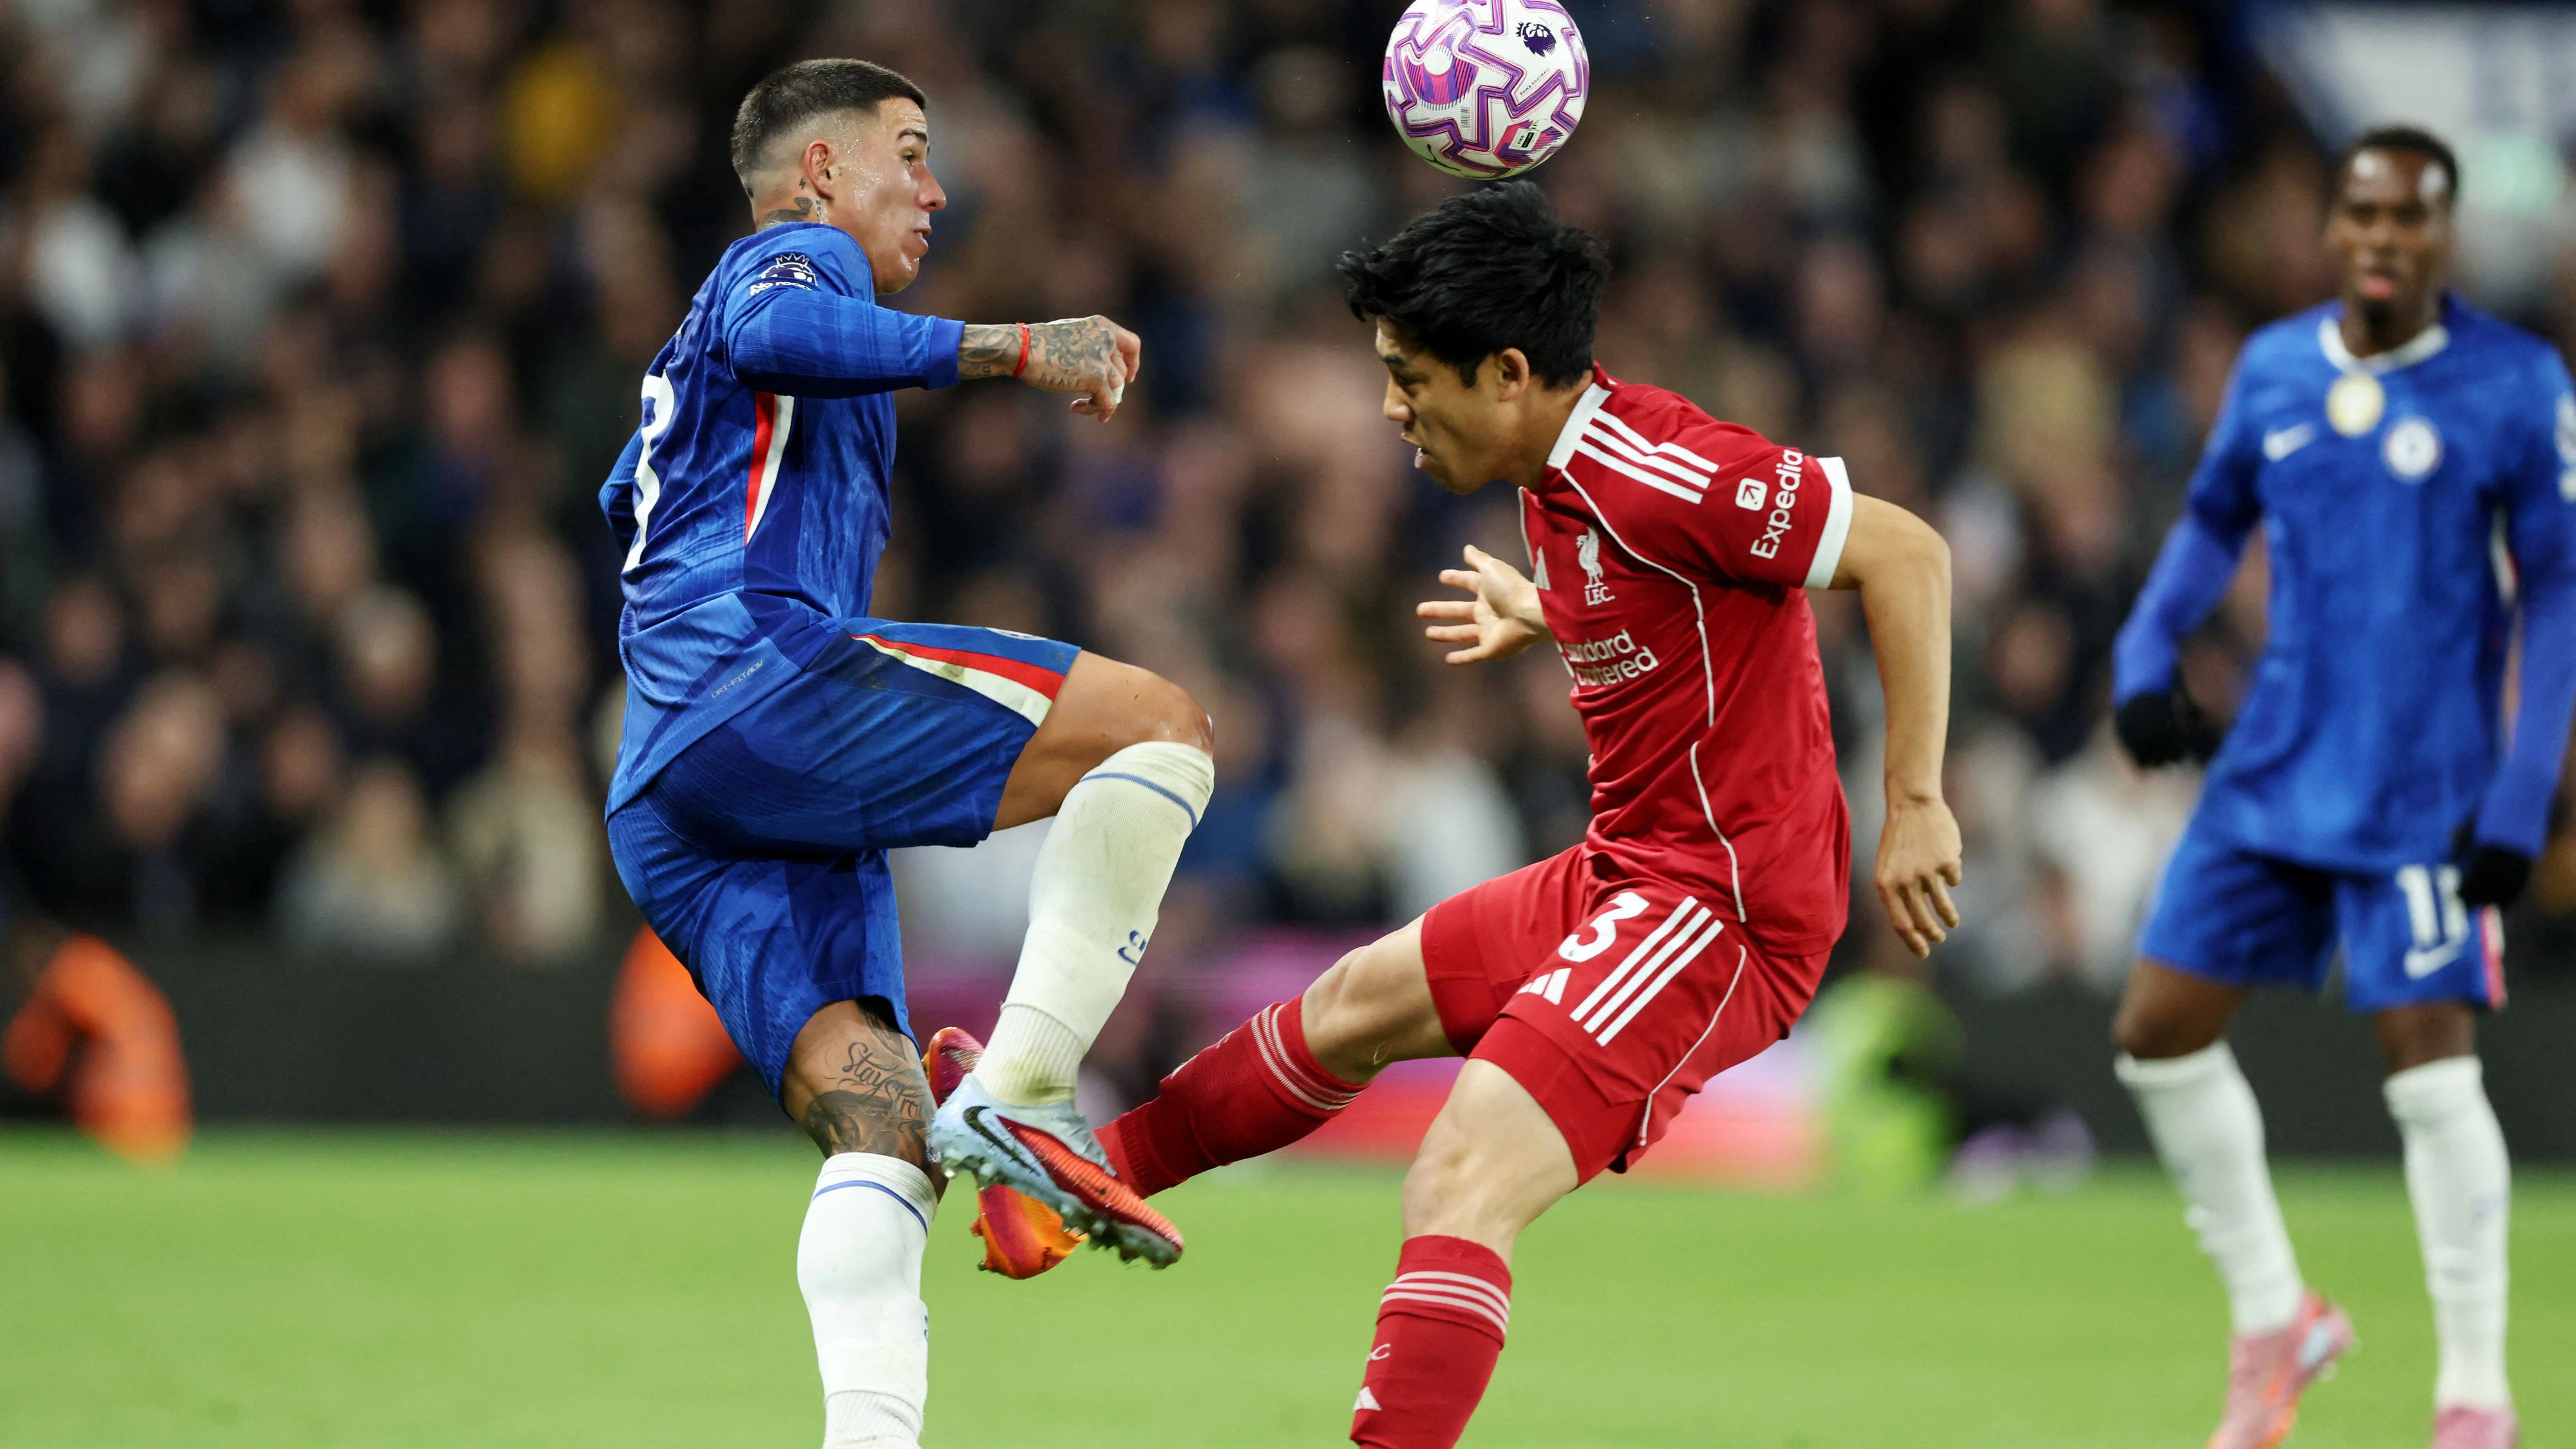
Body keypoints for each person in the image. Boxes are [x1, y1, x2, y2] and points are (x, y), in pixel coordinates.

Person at [942, 182, 1964, 1449]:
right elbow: (1687, 600)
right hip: (1629, 871)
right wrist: (1557, 611)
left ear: (1509, 374)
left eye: (1409, 378)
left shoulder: (1667, 470)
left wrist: (1914, 801)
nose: (1391, 410)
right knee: (1350, 1006)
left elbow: (1907, 553)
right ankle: (1071, 1184)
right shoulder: (1555, 472)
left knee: (1459, 1174)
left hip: (1719, 908)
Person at [598, 58, 1216, 1449]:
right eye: (911, 153)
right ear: (820, 171)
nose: (936, 191)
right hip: (757, 679)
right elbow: (778, 327)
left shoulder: (698, 358)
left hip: (673, 786)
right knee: (1164, 726)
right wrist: (1012, 348)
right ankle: (1027, 1089)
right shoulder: (794, 258)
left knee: (884, 1136)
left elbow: (631, 498)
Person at [2108, 126, 2575, 1449]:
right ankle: (2277, 1319)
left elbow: (2557, 589)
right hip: (2275, 765)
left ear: (2445, 234)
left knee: (2427, 1070)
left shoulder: (2513, 383)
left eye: (2408, 216)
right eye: (2361, 212)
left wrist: (2520, 793)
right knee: (2154, 1031)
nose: (2381, 237)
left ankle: (2473, 1395)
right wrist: (2144, 655)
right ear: (2329, 227)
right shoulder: (2276, 367)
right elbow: (2213, 517)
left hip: (2424, 786)